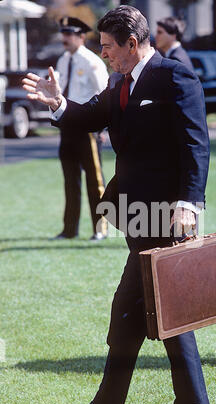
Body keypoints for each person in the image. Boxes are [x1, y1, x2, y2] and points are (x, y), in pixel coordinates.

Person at [23, 5, 212, 404]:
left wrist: (190, 202)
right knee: (169, 316)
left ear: (133, 43)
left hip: (165, 217)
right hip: (134, 215)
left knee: (127, 314)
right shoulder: (118, 82)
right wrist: (58, 104)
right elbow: (89, 114)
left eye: (108, 47)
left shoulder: (174, 76)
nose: (103, 54)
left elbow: (196, 144)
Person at [54, 17, 109, 241]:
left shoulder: (91, 62)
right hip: (67, 127)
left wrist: (103, 127)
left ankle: (101, 228)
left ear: (81, 37)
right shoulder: (62, 60)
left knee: (94, 180)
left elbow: (105, 93)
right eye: (63, 34)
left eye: (70, 34)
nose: (65, 38)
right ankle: (69, 229)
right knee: (70, 178)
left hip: (88, 129)